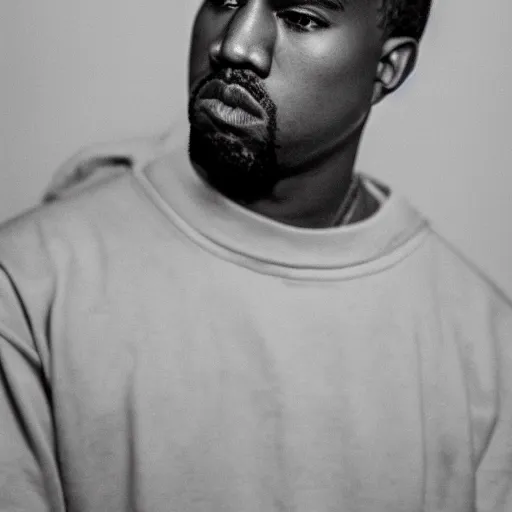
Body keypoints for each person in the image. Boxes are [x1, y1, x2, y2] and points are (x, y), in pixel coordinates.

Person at [1, 0, 511, 510]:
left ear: (387, 67)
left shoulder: (486, 350)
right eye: (226, 1)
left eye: (302, 18)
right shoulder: (30, 281)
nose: (235, 46)